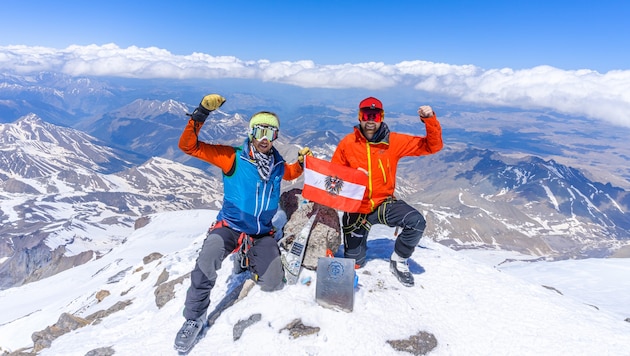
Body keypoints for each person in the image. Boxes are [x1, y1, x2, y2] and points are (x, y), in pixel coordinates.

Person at [174, 94, 312, 352]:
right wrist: (201, 114)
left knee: (272, 283)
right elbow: (189, 147)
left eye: (270, 133)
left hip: (261, 232)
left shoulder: (278, 164)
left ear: (276, 137)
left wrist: (302, 163)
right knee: (207, 260)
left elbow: (292, 173)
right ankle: (194, 319)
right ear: (251, 132)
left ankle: (248, 255)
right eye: (260, 131)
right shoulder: (233, 157)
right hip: (230, 227)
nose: (264, 138)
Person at [331, 96, 443, 287]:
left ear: (381, 117)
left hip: (384, 204)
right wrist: (352, 176)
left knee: (416, 222)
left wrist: (430, 119)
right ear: (360, 117)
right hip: (357, 208)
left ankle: (399, 260)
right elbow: (334, 177)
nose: (370, 120)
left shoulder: (393, 142)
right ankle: (358, 247)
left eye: (375, 115)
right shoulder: (348, 144)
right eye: (366, 115)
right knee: (355, 263)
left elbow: (432, 146)